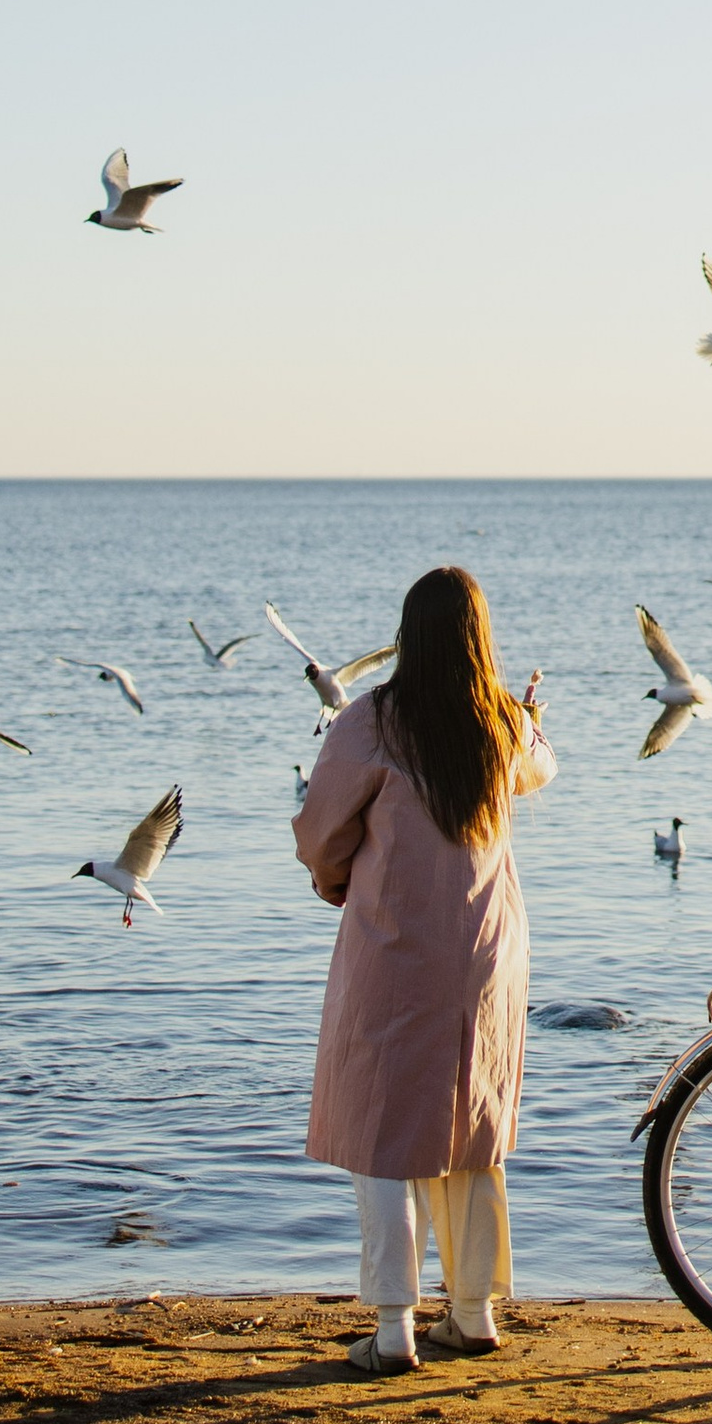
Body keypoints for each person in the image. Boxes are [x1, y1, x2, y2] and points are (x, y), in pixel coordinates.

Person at [291, 566, 555, 1374]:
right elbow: (542, 768)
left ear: (408, 635)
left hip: (397, 943)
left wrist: (339, 882)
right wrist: (532, 716)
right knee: (470, 1127)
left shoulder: (372, 719)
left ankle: (396, 1324)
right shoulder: (502, 722)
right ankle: (472, 1312)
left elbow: (319, 832)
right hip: (486, 951)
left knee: (385, 1129)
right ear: (480, 637)